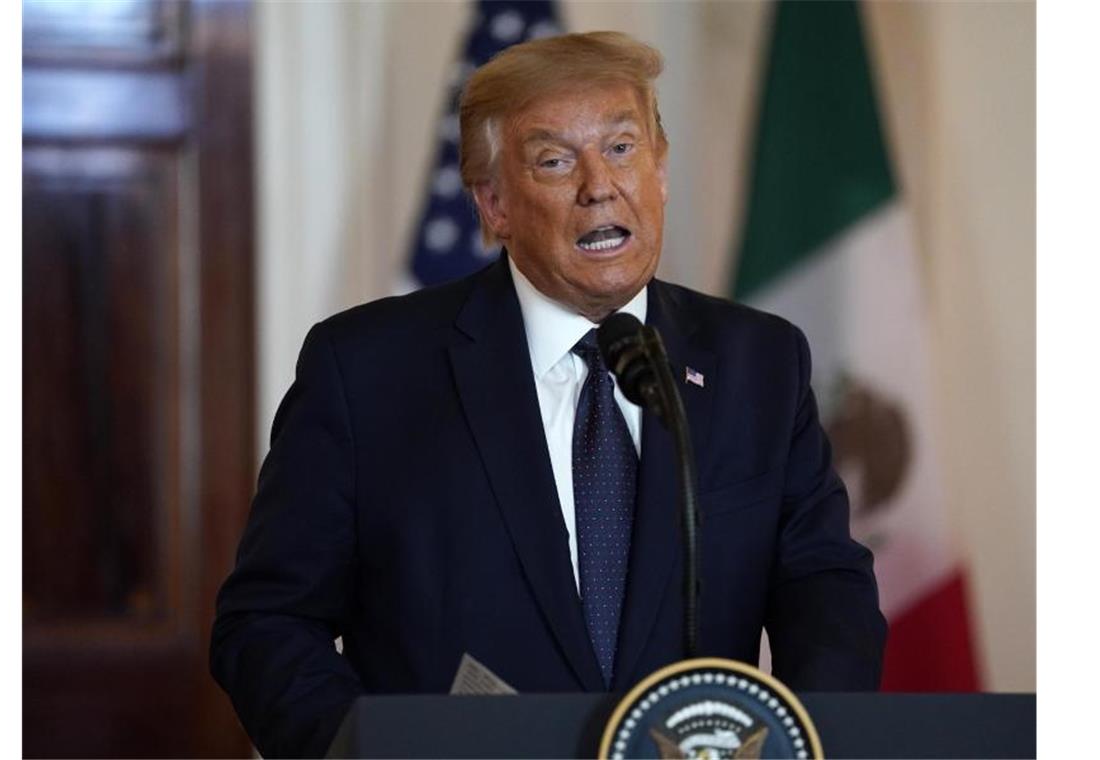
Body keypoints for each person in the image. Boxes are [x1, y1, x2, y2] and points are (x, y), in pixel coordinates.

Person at [211, 31, 886, 758]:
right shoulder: (367, 370)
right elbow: (268, 622)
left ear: (660, 169)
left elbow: (825, 590)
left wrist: (802, 743)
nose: (600, 185)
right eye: (556, 160)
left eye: (623, 148)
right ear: (494, 204)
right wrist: (372, 750)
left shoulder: (759, 362)